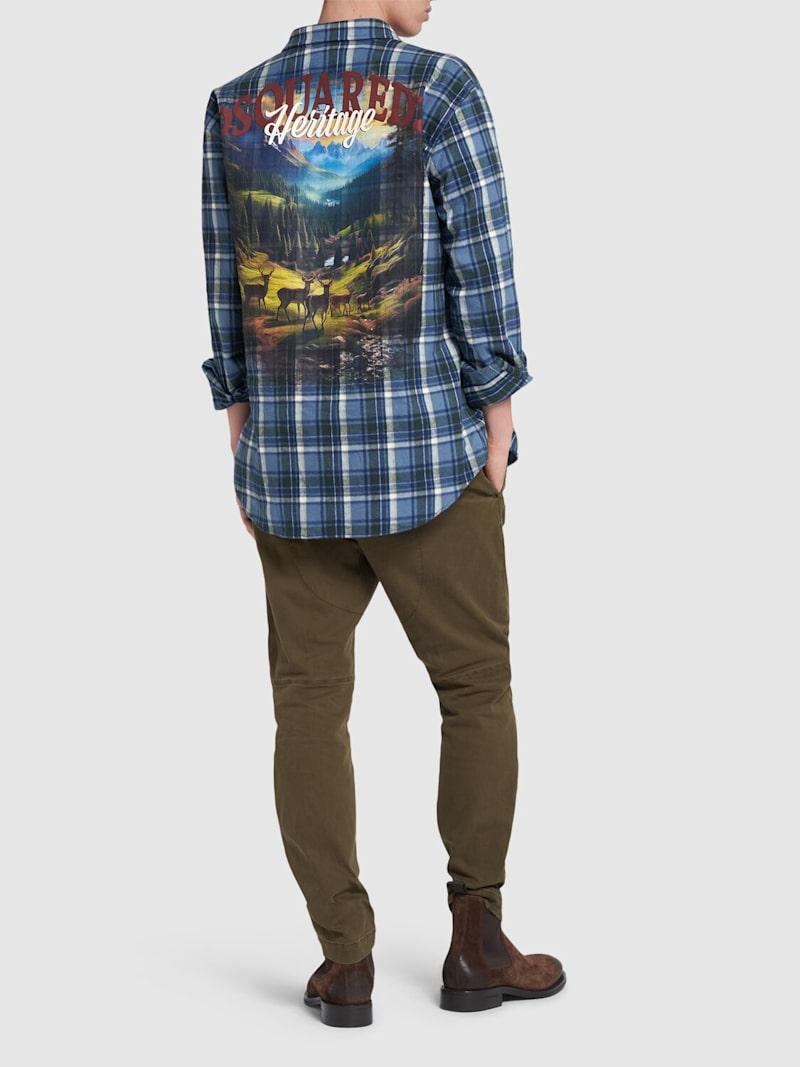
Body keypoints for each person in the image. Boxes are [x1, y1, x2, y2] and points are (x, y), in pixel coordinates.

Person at [201, 0, 565, 1027]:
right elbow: (482, 264)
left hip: (290, 469)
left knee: (308, 707)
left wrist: (243, 432)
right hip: (425, 460)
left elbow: (227, 286)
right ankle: (477, 943)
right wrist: (498, 409)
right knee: (474, 685)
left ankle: (344, 961)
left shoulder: (235, 105)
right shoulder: (437, 88)